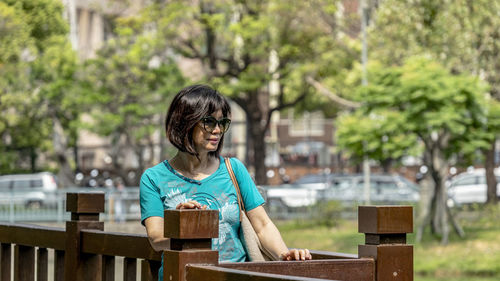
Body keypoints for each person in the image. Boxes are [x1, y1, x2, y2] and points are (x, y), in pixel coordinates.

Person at [140, 84, 311, 279]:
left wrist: (284, 255)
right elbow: (156, 238)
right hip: (181, 276)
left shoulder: (234, 169)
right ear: (184, 122)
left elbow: (262, 225)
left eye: (222, 123)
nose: (218, 130)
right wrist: (182, 222)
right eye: (209, 122)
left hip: (234, 276)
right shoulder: (153, 178)